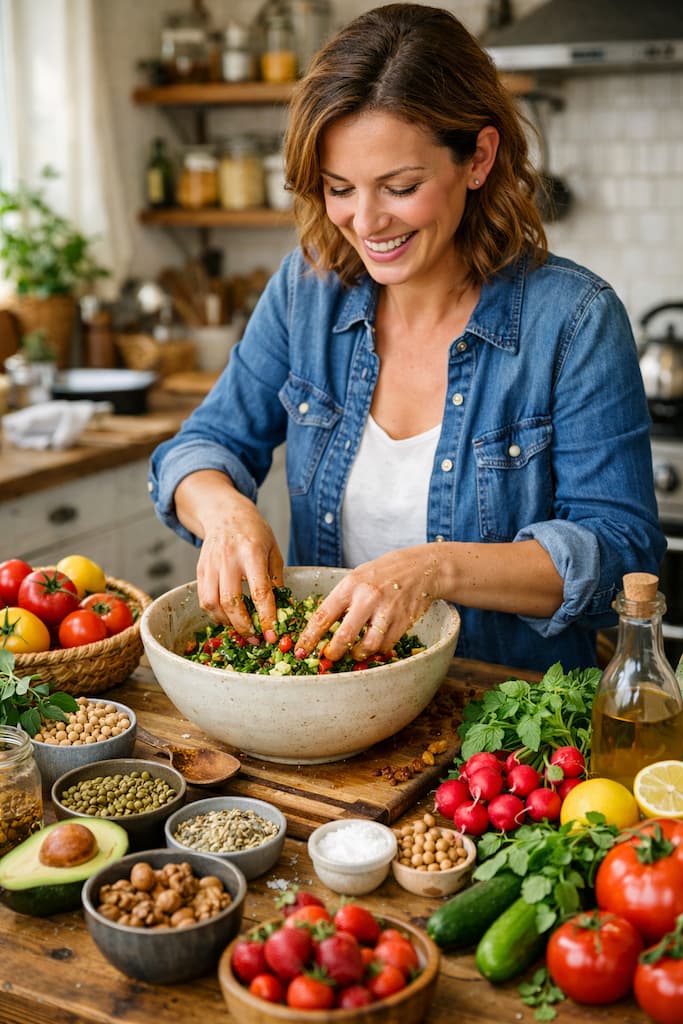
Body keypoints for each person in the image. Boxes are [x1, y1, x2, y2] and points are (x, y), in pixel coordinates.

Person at [149, 3, 664, 673]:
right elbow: (198, 448)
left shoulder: (572, 319)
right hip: (333, 707)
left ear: (477, 158)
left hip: (499, 715)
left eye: (399, 186)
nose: (364, 223)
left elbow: (621, 552)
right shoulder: (307, 292)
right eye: (339, 188)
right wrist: (221, 512)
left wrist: (435, 568)